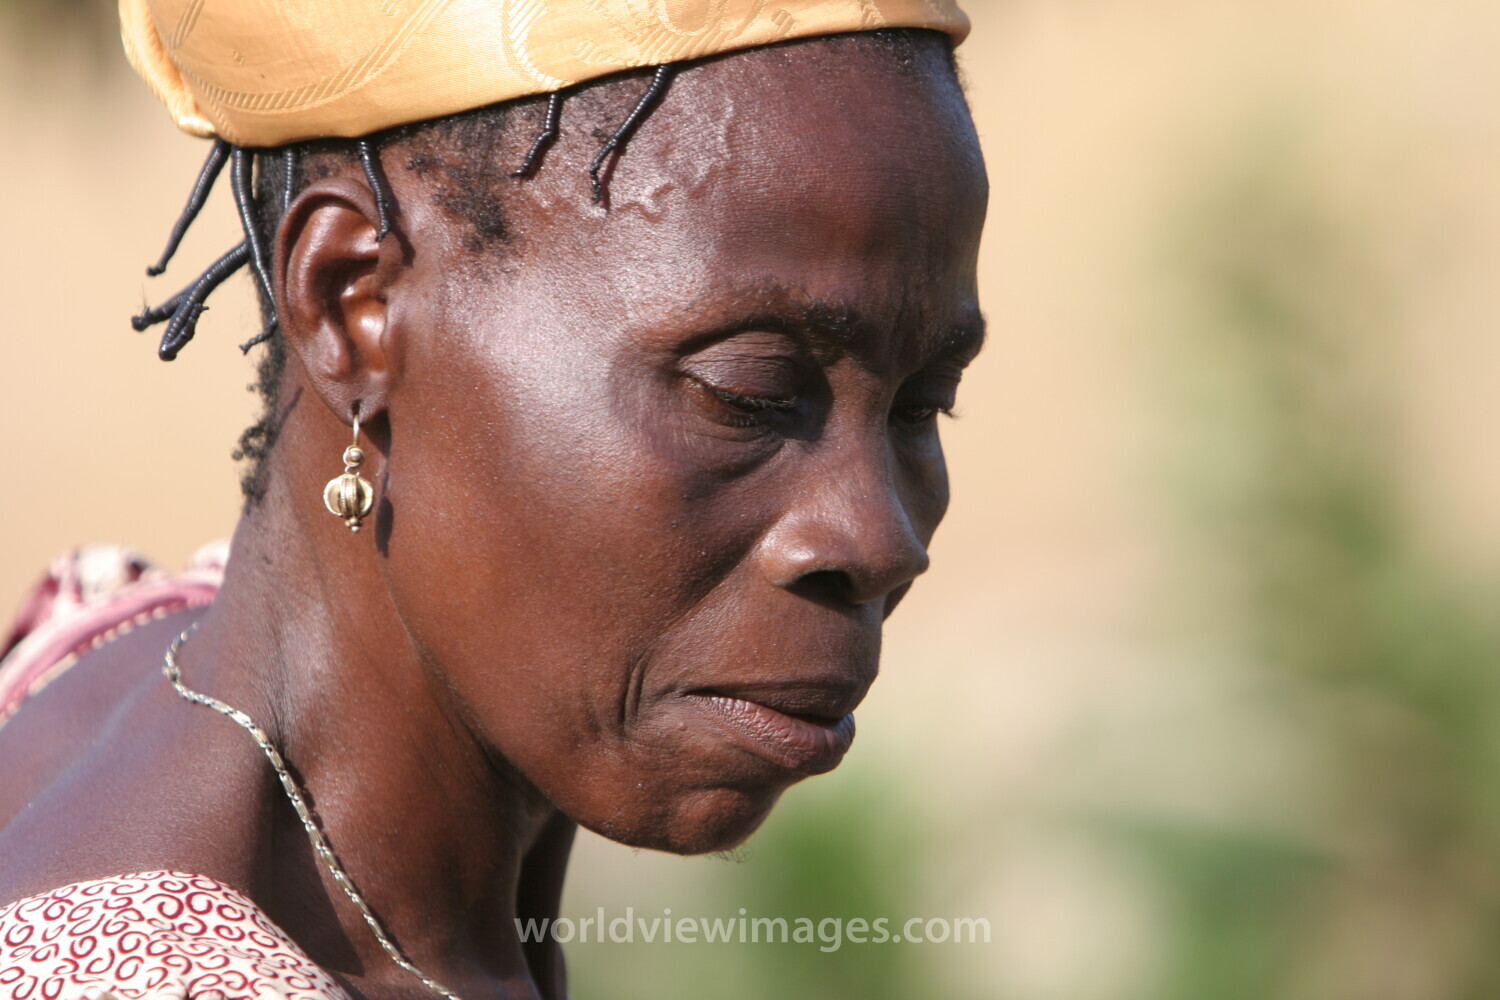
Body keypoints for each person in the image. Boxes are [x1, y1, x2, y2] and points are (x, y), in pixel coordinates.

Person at [0, 0, 987, 996]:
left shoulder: (124, 658)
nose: (878, 535)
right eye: (751, 395)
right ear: (352, 302)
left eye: (922, 405)